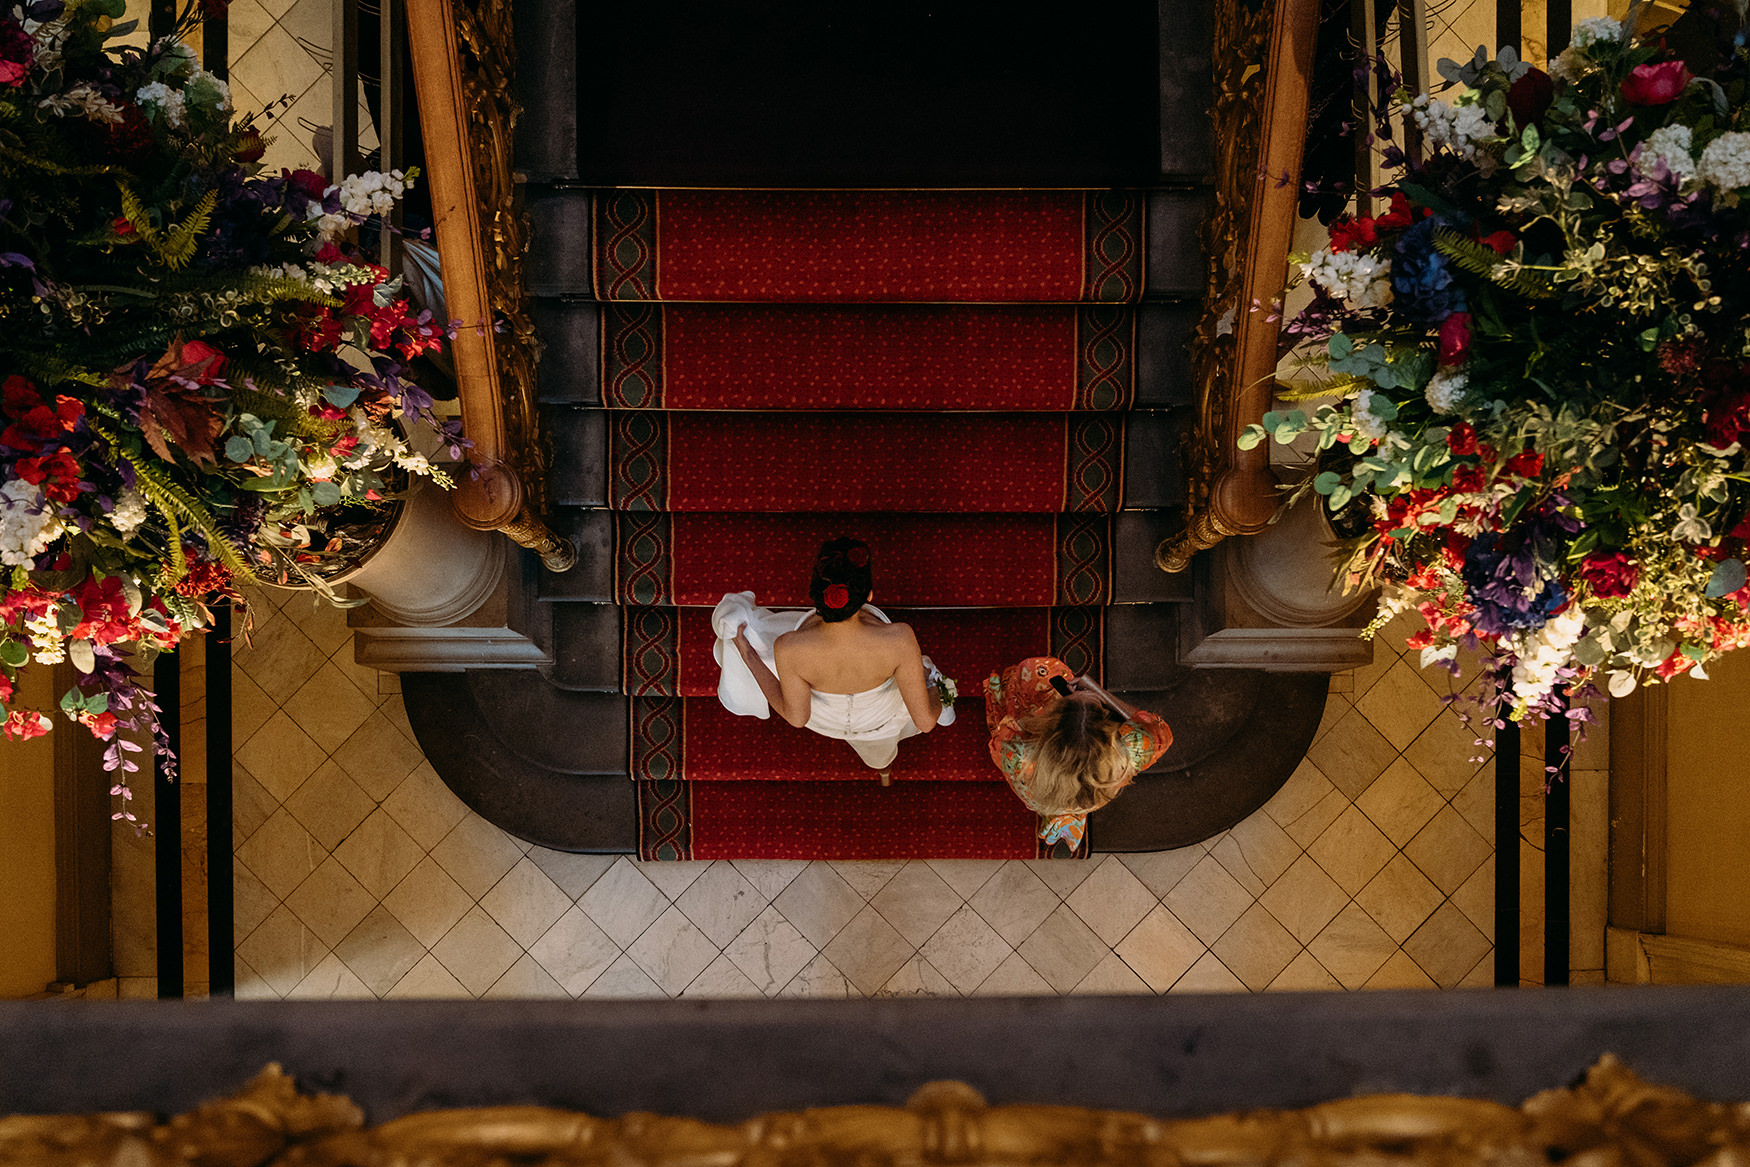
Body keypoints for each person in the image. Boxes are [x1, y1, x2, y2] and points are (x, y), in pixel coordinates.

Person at [719, 537, 950, 775]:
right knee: (880, 754)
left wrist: (749, 656)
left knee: (877, 755)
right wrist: (935, 686)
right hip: (880, 722)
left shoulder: (788, 647)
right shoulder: (899, 639)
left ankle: (882, 768)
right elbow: (925, 721)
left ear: (817, 597)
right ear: (869, 595)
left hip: (828, 721)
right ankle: (884, 769)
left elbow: (798, 718)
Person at [982, 656, 1171, 849]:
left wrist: (1076, 698)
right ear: (1109, 731)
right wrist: (1099, 695)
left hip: (1040, 793)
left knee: (1036, 669)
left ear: (1050, 722)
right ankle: (1067, 819)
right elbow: (1152, 725)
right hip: (1090, 797)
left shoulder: (1018, 755)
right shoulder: (1132, 749)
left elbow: (1001, 738)